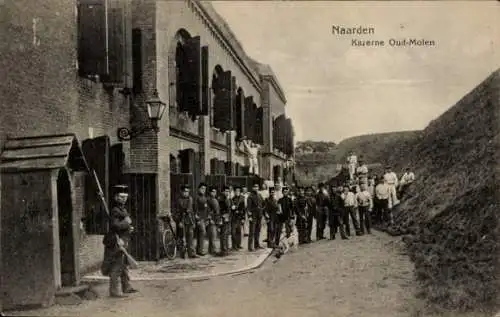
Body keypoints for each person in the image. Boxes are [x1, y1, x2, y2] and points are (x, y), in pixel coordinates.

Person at [102, 185, 138, 298]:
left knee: (124, 264)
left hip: (123, 240)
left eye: (125, 197)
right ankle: (114, 291)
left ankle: (126, 286)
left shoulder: (122, 209)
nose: (124, 199)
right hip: (116, 241)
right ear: (116, 197)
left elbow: (122, 225)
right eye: (121, 197)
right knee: (117, 265)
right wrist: (127, 223)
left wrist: (129, 228)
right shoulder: (115, 210)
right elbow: (115, 225)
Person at [173, 185, 197, 259]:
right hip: (181, 221)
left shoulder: (190, 199)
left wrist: (193, 222)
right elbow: (176, 212)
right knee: (182, 238)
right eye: (185, 191)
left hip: (189, 221)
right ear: (182, 192)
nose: (186, 193)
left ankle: (192, 253)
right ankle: (182, 253)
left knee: (190, 236)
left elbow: (193, 211)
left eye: (187, 191)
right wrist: (178, 221)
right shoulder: (178, 200)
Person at [247, 182, 264, 251]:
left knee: (258, 231)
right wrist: (249, 216)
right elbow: (248, 208)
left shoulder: (260, 195)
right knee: (252, 231)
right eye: (255, 187)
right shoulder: (250, 196)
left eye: (257, 187)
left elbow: (263, 203)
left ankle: (257, 245)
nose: (256, 188)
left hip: (259, 215)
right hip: (253, 216)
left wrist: (262, 210)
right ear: (252, 188)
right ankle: (250, 247)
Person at [195, 183, 209, 256]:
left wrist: (206, 219)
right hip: (199, 218)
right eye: (202, 188)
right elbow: (196, 209)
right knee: (202, 232)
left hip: (204, 218)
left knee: (201, 234)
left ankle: (199, 250)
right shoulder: (197, 197)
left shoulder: (205, 198)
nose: (203, 190)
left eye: (205, 189)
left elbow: (206, 209)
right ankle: (200, 250)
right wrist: (197, 219)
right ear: (199, 189)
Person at [218, 186, 232, 256]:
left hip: (227, 218)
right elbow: (220, 210)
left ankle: (226, 248)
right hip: (223, 218)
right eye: (226, 191)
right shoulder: (221, 199)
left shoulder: (227, 199)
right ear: (222, 191)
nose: (227, 193)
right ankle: (223, 250)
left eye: (228, 191)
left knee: (226, 234)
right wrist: (222, 217)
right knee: (223, 234)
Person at [231, 186, 245, 250]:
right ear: (234, 192)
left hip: (239, 217)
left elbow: (243, 209)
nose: (237, 192)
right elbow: (231, 209)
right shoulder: (232, 199)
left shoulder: (242, 199)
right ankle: (234, 245)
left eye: (239, 191)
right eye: (236, 191)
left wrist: (243, 218)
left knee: (239, 232)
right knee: (233, 232)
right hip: (234, 218)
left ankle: (238, 244)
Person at [206, 187, 220, 255]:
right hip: (212, 220)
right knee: (213, 235)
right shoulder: (208, 200)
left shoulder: (215, 200)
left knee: (214, 235)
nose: (214, 193)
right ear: (210, 192)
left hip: (216, 219)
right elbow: (208, 211)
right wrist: (210, 219)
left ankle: (212, 250)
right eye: (213, 192)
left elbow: (217, 211)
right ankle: (213, 250)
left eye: (215, 192)